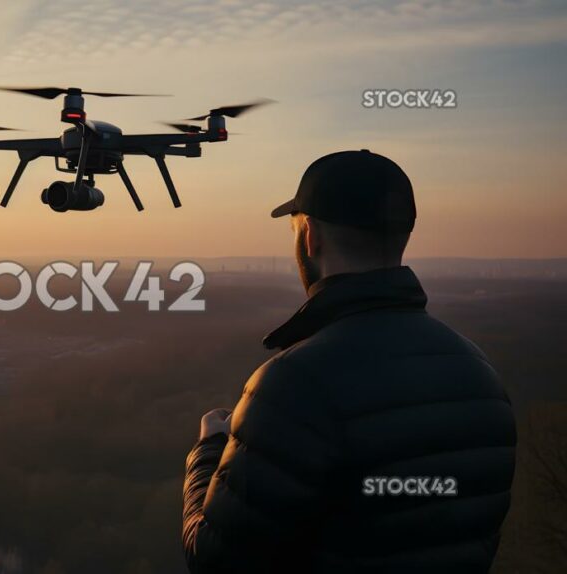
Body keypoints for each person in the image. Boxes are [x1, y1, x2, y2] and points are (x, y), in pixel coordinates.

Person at [182, 150, 516, 573]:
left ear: (310, 238)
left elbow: (215, 560)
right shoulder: (481, 374)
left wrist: (210, 450)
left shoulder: (291, 384)